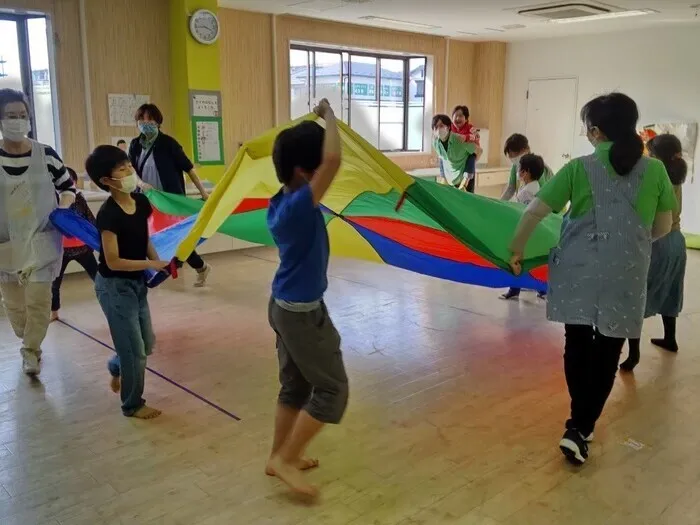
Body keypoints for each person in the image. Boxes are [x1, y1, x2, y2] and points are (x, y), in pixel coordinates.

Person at [508, 93, 676, 466]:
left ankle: (579, 425)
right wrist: (628, 244)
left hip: (576, 268)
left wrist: (516, 249)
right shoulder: (655, 171)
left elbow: (534, 212)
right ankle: (581, 426)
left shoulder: (578, 169)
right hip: (626, 272)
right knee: (608, 349)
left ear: (596, 132)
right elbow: (663, 226)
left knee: (578, 341)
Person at [265, 99, 348, 498]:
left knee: (294, 387)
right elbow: (333, 159)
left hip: (284, 306)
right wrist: (329, 115)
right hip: (300, 314)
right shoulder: (299, 206)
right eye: (316, 170)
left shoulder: (281, 201)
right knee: (333, 389)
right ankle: (285, 459)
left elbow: (324, 162)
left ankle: (279, 455)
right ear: (304, 171)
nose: (325, 174)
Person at [86, 145, 169, 419]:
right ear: (106, 181)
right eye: (122, 169)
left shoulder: (141, 203)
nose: (130, 171)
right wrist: (149, 264)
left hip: (136, 285)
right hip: (114, 288)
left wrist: (157, 266)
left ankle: (115, 365)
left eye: (129, 165)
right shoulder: (108, 215)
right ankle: (132, 405)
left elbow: (143, 238)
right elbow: (113, 261)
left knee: (145, 344)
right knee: (135, 353)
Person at [0, 88, 75, 376]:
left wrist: (63, 209)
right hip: (6, 243)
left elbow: (67, 187)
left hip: (42, 239)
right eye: (10, 116)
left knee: (39, 301)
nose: (17, 121)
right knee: (16, 307)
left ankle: (31, 350)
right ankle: (25, 337)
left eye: (22, 115)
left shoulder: (46, 154)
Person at [620, 134, 687, 371]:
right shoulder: (676, 174)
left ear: (656, 155)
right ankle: (670, 339)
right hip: (677, 242)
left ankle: (634, 354)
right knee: (670, 290)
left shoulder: (655, 175)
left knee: (635, 295)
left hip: (657, 240)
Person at [128, 103, 211, 287]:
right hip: (145, 199)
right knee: (146, 236)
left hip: (169, 201)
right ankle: (152, 271)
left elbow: (189, 169)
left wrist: (204, 193)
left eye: (150, 119)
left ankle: (200, 267)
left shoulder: (168, 144)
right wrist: (140, 184)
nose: (145, 122)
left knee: (176, 238)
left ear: (158, 122)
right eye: (141, 119)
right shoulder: (135, 145)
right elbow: (130, 169)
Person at [50, 167, 98, 321]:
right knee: (55, 283)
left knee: (99, 278)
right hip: (61, 251)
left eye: (71, 181)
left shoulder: (79, 199)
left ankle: (110, 303)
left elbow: (90, 219)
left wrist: (96, 237)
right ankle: (54, 312)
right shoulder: (52, 202)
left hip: (82, 248)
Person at [500, 153, 546, 301]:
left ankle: (515, 289)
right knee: (531, 260)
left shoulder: (526, 192)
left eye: (520, 169)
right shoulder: (535, 186)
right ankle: (541, 288)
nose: (518, 172)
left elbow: (523, 213)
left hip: (525, 232)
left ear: (526, 172)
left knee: (517, 260)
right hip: (534, 231)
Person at [432, 114, 482, 192]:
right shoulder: (435, 143)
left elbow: (479, 151)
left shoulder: (459, 140)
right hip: (450, 179)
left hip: (464, 180)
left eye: (441, 126)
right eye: (435, 127)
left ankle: (465, 182)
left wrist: (472, 162)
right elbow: (442, 159)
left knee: (465, 202)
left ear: (448, 127)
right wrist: (443, 177)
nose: (438, 129)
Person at [500, 133, 554, 201]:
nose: (512, 158)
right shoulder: (515, 165)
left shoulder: (536, 165)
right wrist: (499, 203)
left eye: (515, 155)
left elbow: (544, 194)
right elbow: (511, 188)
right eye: (510, 156)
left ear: (525, 150)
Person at [451, 105, 480, 190]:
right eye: (455, 116)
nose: (457, 118)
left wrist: (466, 137)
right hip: (455, 163)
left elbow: (477, 137)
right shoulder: (450, 128)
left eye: (460, 116)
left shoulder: (470, 127)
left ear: (466, 119)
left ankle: (466, 179)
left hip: (468, 157)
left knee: (471, 156)